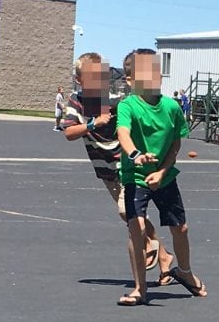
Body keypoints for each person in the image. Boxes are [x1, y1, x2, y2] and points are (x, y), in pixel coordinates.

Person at [61, 52, 174, 283]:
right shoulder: (75, 102)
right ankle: (163, 256)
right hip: (105, 171)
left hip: (126, 166)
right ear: (80, 80)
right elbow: (69, 133)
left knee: (128, 212)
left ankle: (152, 249)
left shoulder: (115, 101)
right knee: (130, 215)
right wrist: (94, 123)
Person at [116, 48, 205, 306]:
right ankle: (139, 288)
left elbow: (175, 143)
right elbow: (123, 133)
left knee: (181, 228)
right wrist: (135, 155)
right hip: (136, 176)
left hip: (164, 177)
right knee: (138, 228)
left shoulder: (172, 107)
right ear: (131, 81)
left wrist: (163, 170)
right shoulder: (127, 105)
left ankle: (184, 272)